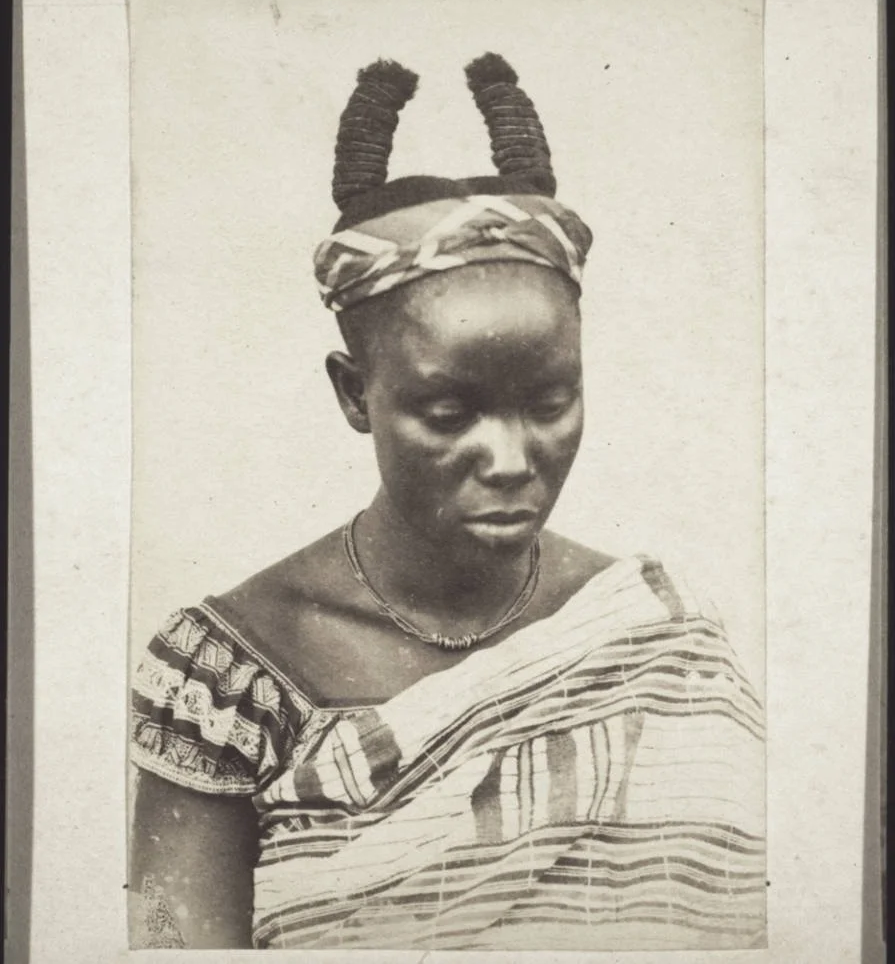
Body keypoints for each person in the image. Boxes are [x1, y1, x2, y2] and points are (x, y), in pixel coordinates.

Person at [128, 53, 765, 951]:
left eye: (548, 403)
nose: (510, 459)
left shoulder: (658, 636)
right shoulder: (228, 673)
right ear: (356, 395)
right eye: (448, 411)